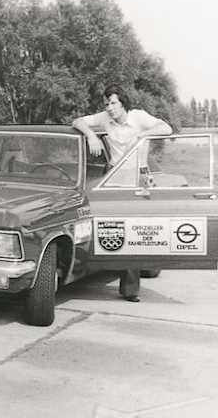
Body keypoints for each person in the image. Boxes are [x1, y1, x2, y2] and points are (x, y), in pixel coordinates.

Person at [72, 83, 172, 302]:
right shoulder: (104, 118)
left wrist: (143, 136)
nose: (109, 107)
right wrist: (91, 136)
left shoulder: (138, 117)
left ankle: (130, 290)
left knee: (135, 232)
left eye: (113, 103)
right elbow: (77, 121)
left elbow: (167, 128)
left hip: (138, 178)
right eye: (107, 103)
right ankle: (92, 271)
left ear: (123, 103)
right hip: (114, 178)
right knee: (111, 228)